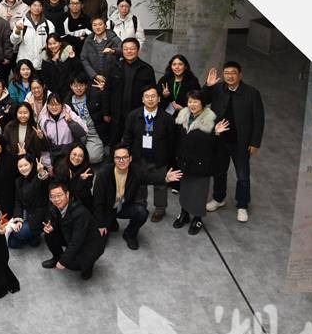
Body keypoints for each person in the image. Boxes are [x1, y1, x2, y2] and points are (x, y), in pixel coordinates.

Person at [202, 61, 265, 223]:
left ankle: (242, 205)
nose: (229, 76)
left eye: (233, 73)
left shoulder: (252, 93)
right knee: (219, 171)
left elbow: (259, 120)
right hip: (220, 140)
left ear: (240, 75)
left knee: (242, 176)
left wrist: (255, 142)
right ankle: (219, 198)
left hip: (240, 143)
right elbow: (201, 100)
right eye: (226, 73)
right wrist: (208, 86)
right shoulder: (218, 89)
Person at [92, 145, 182, 250]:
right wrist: (100, 224)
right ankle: (111, 222)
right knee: (99, 243)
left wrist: (166, 178)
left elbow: (150, 178)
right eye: (118, 157)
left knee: (141, 212)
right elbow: (98, 202)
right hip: (106, 209)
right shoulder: (103, 174)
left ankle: (129, 234)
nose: (121, 160)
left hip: (123, 206)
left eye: (125, 157)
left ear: (130, 158)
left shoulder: (136, 171)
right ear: (113, 159)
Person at [119, 84, 179, 221]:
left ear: (159, 99)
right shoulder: (133, 116)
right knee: (139, 183)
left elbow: (172, 141)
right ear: (142, 99)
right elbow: (127, 137)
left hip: (159, 158)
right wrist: (127, 155)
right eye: (147, 96)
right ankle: (141, 205)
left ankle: (160, 209)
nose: (150, 99)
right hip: (138, 157)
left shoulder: (167, 119)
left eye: (153, 96)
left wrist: (167, 158)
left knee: (161, 184)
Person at [173, 89, 229, 235]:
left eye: (196, 101)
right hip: (185, 161)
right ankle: (184, 213)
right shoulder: (183, 116)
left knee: (199, 193)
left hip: (202, 163)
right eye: (190, 101)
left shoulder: (211, 120)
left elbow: (217, 147)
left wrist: (216, 134)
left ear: (202, 103)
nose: (192, 104)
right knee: (185, 190)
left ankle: (197, 218)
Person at [39, 180, 106, 281]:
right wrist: (51, 226)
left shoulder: (80, 213)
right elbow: (54, 220)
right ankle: (56, 257)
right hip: (69, 233)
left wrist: (63, 261)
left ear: (67, 194)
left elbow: (76, 241)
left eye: (59, 195)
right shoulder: (54, 205)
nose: (56, 199)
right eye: (53, 196)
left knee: (71, 264)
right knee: (49, 233)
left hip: (89, 244)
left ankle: (88, 266)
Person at [104, 38, 156, 146]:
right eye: (126, 49)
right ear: (122, 51)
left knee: (137, 142)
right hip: (117, 114)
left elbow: (152, 93)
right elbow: (107, 90)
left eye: (132, 48)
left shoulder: (147, 69)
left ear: (138, 50)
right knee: (115, 143)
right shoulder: (114, 67)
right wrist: (106, 112)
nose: (129, 51)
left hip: (138, 114)